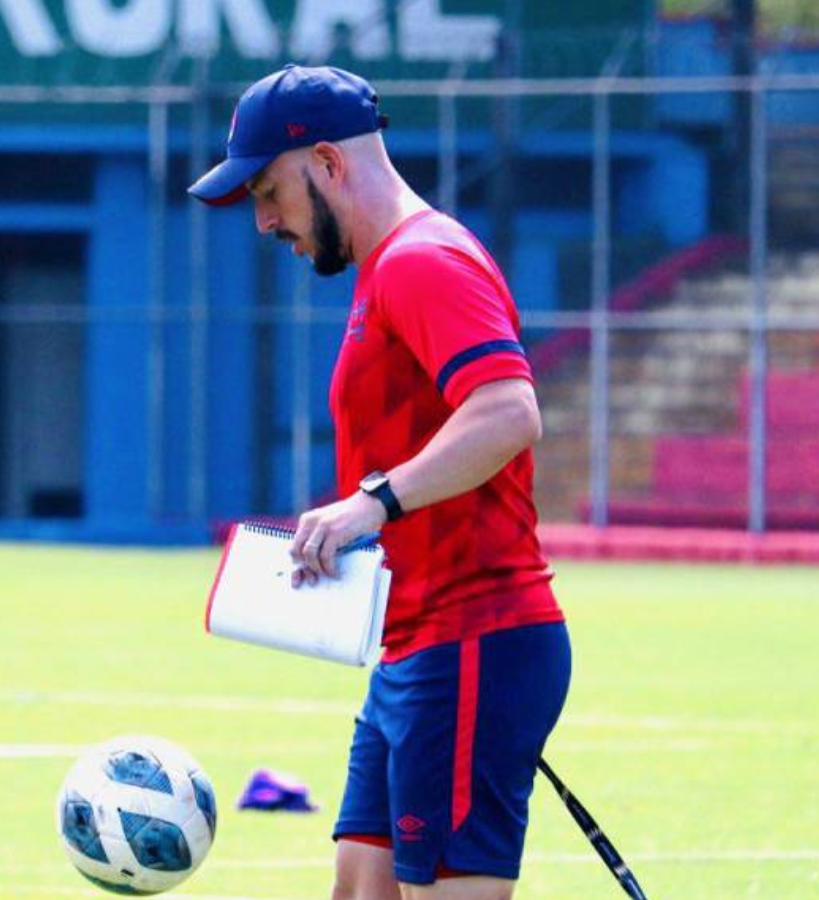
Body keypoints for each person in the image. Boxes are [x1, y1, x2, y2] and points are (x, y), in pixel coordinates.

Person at [189, 64, 571, 900]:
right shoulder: (385, 270)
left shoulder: (422, 262)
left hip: (474, 636)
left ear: (326, 162)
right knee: (361, 891)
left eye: (268, 191)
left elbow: (509, 412)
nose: (261, 221)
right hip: (416, 646)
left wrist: (374, 502)